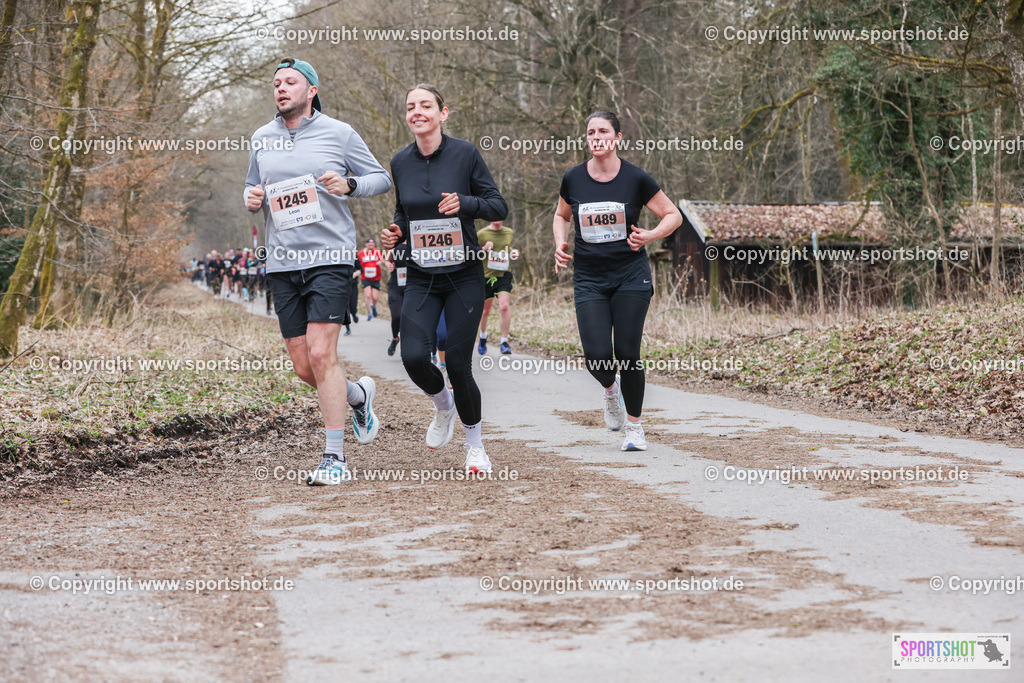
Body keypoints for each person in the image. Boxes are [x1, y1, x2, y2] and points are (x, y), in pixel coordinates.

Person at [244, 57, 392, 485]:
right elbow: (251, 186)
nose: (281, 88)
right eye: (276, 83)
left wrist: (351, 185)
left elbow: (380, 178)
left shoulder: (339, 133)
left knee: (323, 354)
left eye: (291, 81)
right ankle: (358, 395)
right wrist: (251, 198)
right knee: (304, 365)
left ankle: (334, 458)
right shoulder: (261, 138)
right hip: (283, 261)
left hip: (330, 257)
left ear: (311, 90)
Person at [380, 83, 507, 474]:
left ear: (442, 113)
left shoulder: (465, 154)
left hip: (464, 275)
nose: (417, 112)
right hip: (421, 274)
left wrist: (465, 203)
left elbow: (497, 205)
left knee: (457, 361)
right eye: (410, 107)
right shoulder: (400, 161)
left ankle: (475, 446)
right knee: (414, 356)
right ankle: (443, 407)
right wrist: (396, 231)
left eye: (425, 106)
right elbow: (404, 211)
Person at [552, 109, 682, 452]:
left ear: (617, 138)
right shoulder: (574, 178)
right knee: (596, 356)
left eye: (603, 131)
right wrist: (559, 244)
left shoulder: (636, 179)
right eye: (591, 131)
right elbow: (561, 215)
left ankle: (635, 428)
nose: (596, 137)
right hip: (590, 278)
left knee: (627, 352)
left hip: (630, 276)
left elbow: (673, 215)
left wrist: (650, 235)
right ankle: (611, 390)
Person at [476, 220, 517, 355]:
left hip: (503, 275)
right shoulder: (481, 234)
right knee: (484, 312)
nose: (497, 218)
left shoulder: (509, 232)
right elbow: (473, 254)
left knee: (504, 307)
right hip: (486, 276)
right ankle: (483, 336)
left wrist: (513, 252)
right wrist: (484, 248)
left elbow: (507, 248)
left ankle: (504, 342)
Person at [384, 242, 409, 356]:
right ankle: (395, 339)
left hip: (413, 286)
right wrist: (388, 264)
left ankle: (407, 347)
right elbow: (386, 259)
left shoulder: (416, 241)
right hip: (396, 285)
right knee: (396, 316)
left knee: (408, 317)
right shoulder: (395, 243)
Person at [357, 238, 383, 319]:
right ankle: (369, 313)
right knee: (368, 295)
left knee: (375, 297)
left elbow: (382, 260)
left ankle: (373, 307)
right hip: (365, 277)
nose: (371, 246)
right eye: (369, 244)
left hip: (376, 277)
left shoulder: (377, 251)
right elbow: (358, 265)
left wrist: (380, 262)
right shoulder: (361, 253)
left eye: (372, 244)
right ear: (366, 244)